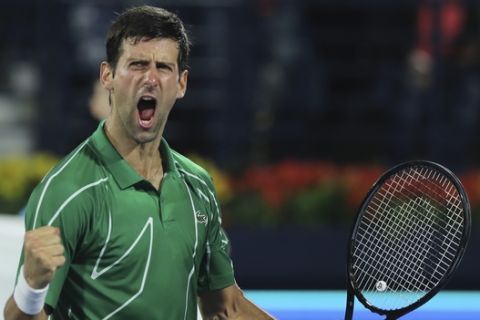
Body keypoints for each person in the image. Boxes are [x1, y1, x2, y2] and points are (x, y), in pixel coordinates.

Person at [3, 6, 274, 320]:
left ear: (182, 83)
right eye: (137, 64)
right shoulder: (67, 190)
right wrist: (31, 287)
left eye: (163, 67)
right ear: (108, 76)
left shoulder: (197, 185)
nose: (150, 79)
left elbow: (225, 308)